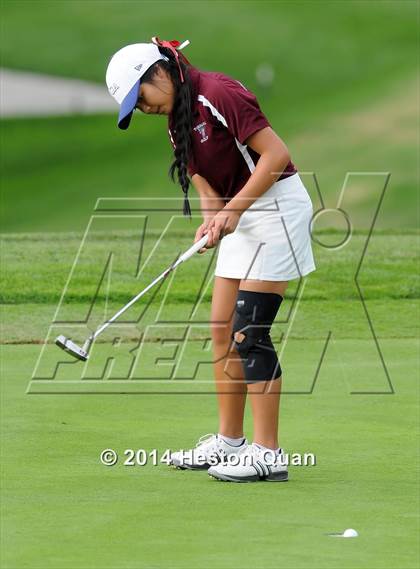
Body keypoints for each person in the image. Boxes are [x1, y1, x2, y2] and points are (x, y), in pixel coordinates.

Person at [106, 37, 316, 482]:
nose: (142, 108)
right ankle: (230, 441)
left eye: (139, 97)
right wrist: (211, 220)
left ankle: (269, 453)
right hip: (241, 209)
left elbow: (277, 156)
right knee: (222, 328)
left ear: (158, 74)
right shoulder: (177, 118)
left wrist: (232, 212)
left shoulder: (217, 93)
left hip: (276, 207)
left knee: (250, 333)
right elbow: (204, 182)